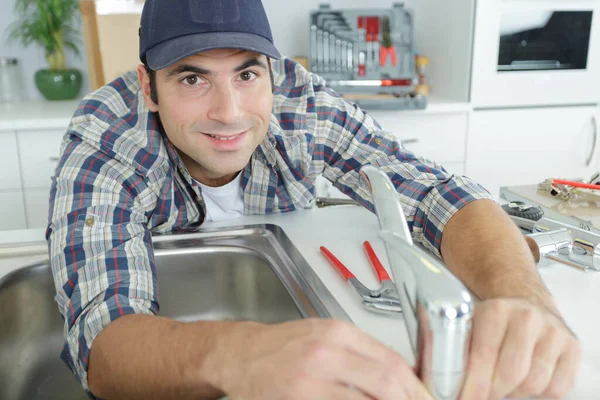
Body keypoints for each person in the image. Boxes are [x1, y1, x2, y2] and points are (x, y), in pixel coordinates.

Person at [47, 0, 581, 399]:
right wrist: (239, 353)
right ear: (147, 85)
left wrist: (526, 300)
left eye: (247, 73)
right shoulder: (107, 136)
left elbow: (438, 194)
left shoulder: (302, 104)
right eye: (192, 78)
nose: (230, 111)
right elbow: (103, 344)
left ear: (272, 72)